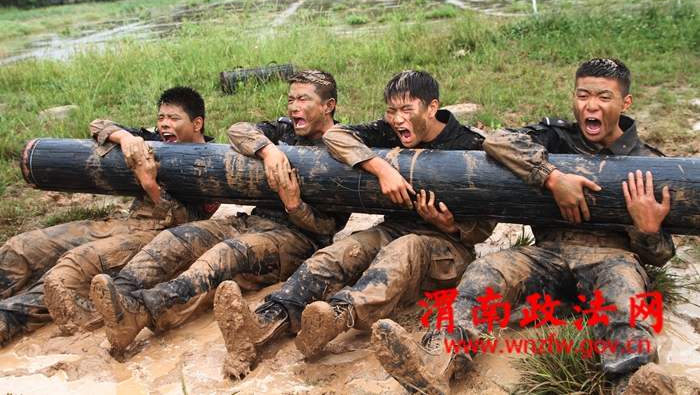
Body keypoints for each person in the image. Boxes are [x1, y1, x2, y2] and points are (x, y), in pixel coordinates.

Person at [371, 58, 677, 395]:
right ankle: (437, 362)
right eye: (583, 95)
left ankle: (633, 381)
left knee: (625, 297)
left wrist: (648, 230)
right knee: (485, 271)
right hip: (547, 256)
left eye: (604, 97)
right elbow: (497, 140)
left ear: (625, 102)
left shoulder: (649, 161)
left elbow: (661, 255)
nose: (591, 106)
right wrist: (551, 176)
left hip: (612, 258)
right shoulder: (554, 139)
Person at [214, 70, 495, 378]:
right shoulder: (389, 131)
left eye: (406, 109)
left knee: (406, 248)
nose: (397, 119)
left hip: (449, 246)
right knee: (341, 252)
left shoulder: (469, 144)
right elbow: (335, 136)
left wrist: (450, 225)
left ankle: (335, 317)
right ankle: (264, 322)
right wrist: (383, 169)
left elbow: (487, 223)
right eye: (391, 110)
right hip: (393, 230)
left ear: (431, 108)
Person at [89, 69, 350, 355]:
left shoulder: (344, 147)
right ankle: (115, 298)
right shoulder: (284, 131)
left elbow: (327, 228)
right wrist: (269, 151)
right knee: (177, 238)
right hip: (254, 221)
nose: (294, 107)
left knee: (222, 257)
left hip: (298, 238)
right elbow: (238, 130)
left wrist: (294, 206)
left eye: (303, 100)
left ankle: (141, 312)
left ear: (328, 105)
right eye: (291, 100)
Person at [0, 86, 218, 345]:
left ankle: (7, 321)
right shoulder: (154, 140)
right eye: (161, 117)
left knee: (73, 267)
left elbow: (188, 224)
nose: (164, 125)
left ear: (197, 124)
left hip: (157, 238)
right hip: (122, 225)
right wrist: (126, 138)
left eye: (173, 118)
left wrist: (151, 185)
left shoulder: (216, 166)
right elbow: (98, 124)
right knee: (23, 246)